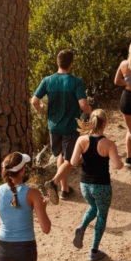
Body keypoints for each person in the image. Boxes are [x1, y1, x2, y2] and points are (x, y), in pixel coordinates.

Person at [31, 49, 92, 200]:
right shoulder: (75, 82)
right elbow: (83, 104)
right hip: (70, 127)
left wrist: (41, 110)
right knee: (71, 160)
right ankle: (53, 182)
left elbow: (34, 101)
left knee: (61, 155)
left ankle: (65, 190)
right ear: (71, 64)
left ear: (58, 63)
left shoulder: (48, 80)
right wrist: (92, 113)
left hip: (53, 126)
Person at [69, 110, 124, 261]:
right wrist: (121, 161)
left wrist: (84, 159)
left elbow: (73, 162)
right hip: (102, 186)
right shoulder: (108, 144)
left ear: (91, 122)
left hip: (85, 184)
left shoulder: (81, 140)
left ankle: (82, 227)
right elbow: (118, 165)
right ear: (105, 124)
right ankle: (94, 251)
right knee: (102, 215)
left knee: (93, 207)